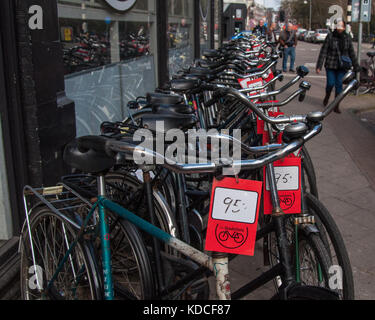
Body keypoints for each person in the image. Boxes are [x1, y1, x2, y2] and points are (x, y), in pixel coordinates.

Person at [316, 20, 360, 114]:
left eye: (341, 26)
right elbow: (323, 51)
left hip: (342, 66)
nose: (339, 28)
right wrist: (319, 66)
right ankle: (327, 96)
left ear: (344, 27)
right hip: (330, 65)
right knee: (330, 83)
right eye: (338, 26)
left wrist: (356, 65)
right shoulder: (330, 36)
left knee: (339, 85)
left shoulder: (347, 37)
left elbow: (351, 52)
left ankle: (336, 105)